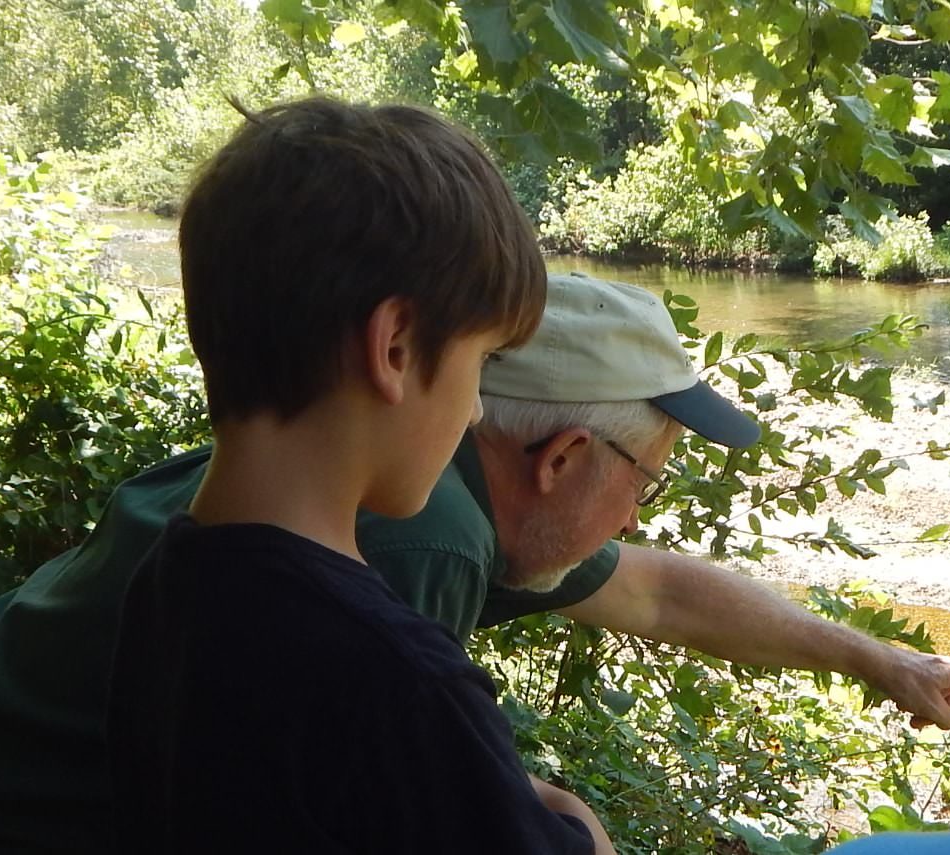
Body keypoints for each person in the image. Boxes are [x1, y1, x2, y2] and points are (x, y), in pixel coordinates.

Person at [0, 166, 950, 855]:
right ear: (561, 455)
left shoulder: (351, 501)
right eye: (649, 476)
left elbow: (654, 587)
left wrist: (876, 657)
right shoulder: (408, 548)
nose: (644, 511)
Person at [104, 94, 596, 853]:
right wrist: (575, 823)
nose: (473, 412)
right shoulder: (400, 679)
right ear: (396, 346)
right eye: (482, 361)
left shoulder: (166, 583)